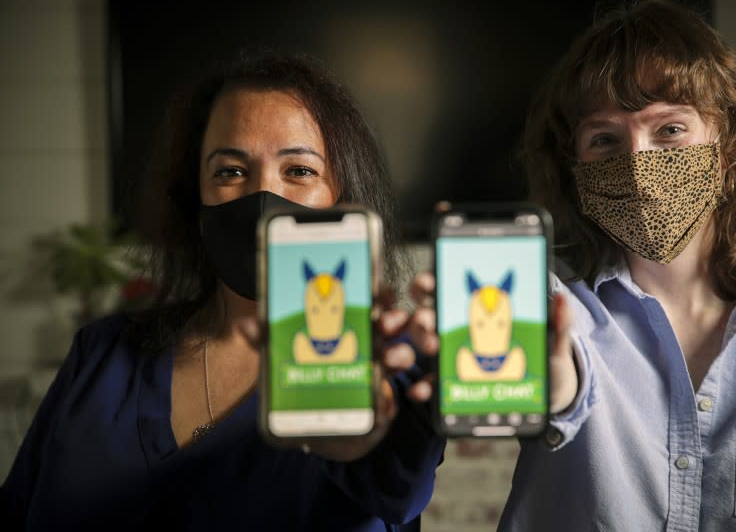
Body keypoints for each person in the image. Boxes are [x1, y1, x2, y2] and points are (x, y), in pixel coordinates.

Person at [0, 50, 444, 530]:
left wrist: (362, 437)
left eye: (299, 171)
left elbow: (400, 487)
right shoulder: (101, 354)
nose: (261, 196)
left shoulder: (386, 362)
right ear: (194, 196)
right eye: (230, 171)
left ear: (344, 195)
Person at [495, 0, 736, 530]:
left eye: (670, 130)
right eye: (604, 139)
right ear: (576, 172)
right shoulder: (551, 308)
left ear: (727, 149)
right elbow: (551, 380)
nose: (638, 163)